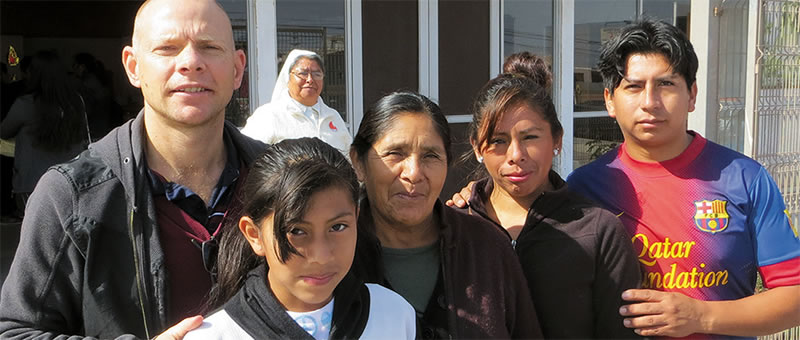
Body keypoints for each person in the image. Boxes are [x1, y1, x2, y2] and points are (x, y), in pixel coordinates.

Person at [0, 0, 264, 338]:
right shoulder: (71, 196)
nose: (191, 63)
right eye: (167, 48)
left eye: (209, 47)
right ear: (133, 66)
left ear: (238, 68)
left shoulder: (280, 179)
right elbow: (16, 332)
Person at [566, 19, 800, 338]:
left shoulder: (745, 178)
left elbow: (794, 296)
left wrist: (701, 316)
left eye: (666, 85)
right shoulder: (583, 187)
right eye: (633, 86)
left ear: (691, 95)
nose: (650, 102)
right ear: (609, 99)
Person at [462, 51, 641, 338]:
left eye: (530, 137)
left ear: (557, 139)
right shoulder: (455, 226)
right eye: (498, 141)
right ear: (477, 147)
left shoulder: (599, 232)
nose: (516, 156)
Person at [350, 91, 543, 339]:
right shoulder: (332, 254)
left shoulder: (486, 247)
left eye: (431, 156)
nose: (414, 173)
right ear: (359, 162)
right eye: (395, 153)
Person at [186, 138, 416, 339]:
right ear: (254, 235)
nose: (320, 256)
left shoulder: (394, 315)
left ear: (356, 218)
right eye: (296, 231)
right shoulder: (216, 335)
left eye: (338, 227)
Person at [0, 50, 90, 208]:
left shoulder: (25, 104)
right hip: (71, 178)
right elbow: (85, 137)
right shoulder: (76, 102)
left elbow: (4, 132)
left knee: (34, 231)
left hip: (32, 181)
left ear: (33, 74)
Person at [240, 49, 352, 154]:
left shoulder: (333, 117)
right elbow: (248, 156)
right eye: (303, 73)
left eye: (317, 74)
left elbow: (349, 159)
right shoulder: (269, 115)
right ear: (288, 78)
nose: (310, 80)